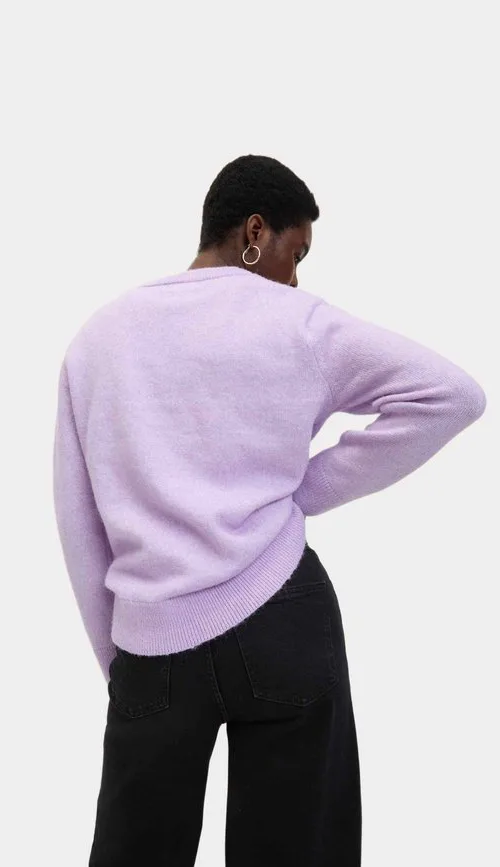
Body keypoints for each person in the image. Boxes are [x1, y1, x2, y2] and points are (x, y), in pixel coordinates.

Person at [52, 154, 486, 866]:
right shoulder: (298, 322)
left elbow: (79, 517)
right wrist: (301, 493)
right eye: (297, 252)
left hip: (152, 638)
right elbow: (452, 396)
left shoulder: (99, 338)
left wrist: (123, 660)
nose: (295, 277)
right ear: (256, 231)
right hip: (281, 610)